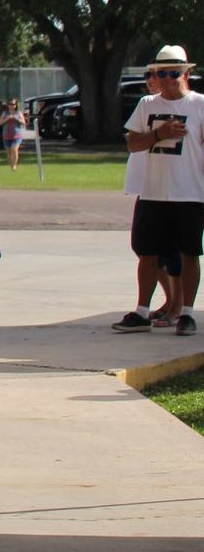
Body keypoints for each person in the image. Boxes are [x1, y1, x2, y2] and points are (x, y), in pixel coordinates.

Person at [113, 45, 204, 337]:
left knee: (190, 254)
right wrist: (158, 134)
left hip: (190, 193)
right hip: (152, 192)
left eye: (173, 73)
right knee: (147, 253)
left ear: (186, 73)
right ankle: (142, 311)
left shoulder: (199, 104)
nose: (166, 79)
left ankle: (186, 313)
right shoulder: (147, 104)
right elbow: (133, 144)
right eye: (160, 73)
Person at [0, 99, 26, 170]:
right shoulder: (5, 113)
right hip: (7, 135)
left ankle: (14, 165)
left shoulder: (18, 113)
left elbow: (24, 123)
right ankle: (11, 165)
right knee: (9, 151)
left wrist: (16, 119)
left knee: (14, 149)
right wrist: (7, 118)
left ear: (16, 105)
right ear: (8, 105)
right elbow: (0, 123)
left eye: (13, 104)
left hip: (17, 135)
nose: (12, 106)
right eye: (10, 104)